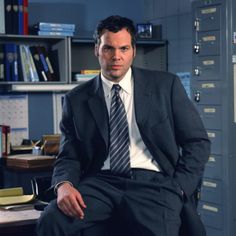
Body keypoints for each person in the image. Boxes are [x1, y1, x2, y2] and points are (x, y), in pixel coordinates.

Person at [37, 15, 210, 236]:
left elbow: (198, 142)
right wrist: (63, 185)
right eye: (108, 48)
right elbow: (69, 155)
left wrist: (179, 188)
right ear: (97, 50)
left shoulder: (165, 86)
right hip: (101, 182)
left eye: (124, 48)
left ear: (133, 51)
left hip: (153, 183)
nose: (116, 56)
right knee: (51, 219)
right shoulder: (76, 99)